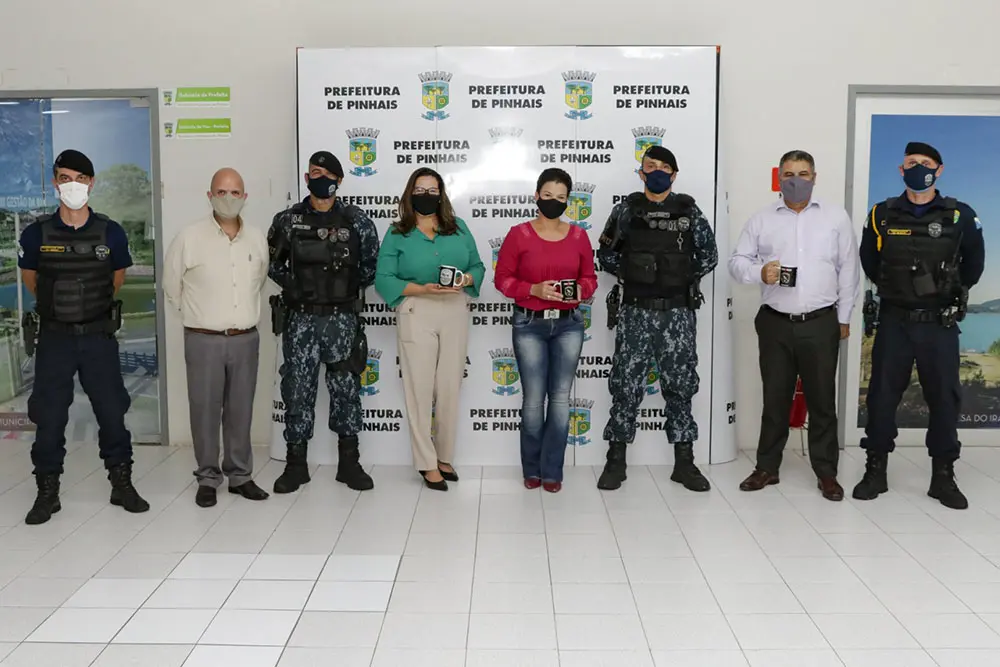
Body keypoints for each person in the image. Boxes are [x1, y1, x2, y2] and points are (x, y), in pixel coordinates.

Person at [18, 149, 148, 525]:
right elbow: (32, 281)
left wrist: (87, 310)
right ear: (54, 182)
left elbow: (115, 281)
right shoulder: (36, 233)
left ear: (91, 183)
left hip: (97, 338)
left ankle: (121, 484)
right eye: (64, 178)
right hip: (54, 340)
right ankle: (47, 493)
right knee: (49, 418)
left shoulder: (110, 232)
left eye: (79, 178)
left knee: (112, 413)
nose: (71, 185)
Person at [856, 142, 985, 510]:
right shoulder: (881, 214)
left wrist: (948, 291)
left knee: (944, 399)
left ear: (938, 170)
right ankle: (875, 470)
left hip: (938, 323)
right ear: (901, 170)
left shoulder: (959, 215)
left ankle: (943, 476)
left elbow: (974, 263)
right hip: (894, 321)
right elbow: (869, 260)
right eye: (911, 163)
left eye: (925, 163)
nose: (918, 168)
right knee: (881, 397)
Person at [728, 150, 860, 501]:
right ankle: (767, 467)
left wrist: (844, 318)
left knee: (822, 401)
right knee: (775, 398)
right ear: (779, 178)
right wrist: (759, 272)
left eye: (803, 174)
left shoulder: (835, 217)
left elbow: (849, 270)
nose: (796, 181)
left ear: (814, 177)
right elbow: (736, 262)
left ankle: (826, 473)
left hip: (821, 321)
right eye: (789, 174)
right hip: (775, 323)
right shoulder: (761, 219)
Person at [596, 145, 718, 492]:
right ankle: (616, 461)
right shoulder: (625, 210)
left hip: (677, 313)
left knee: (680, 385)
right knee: (625, 385)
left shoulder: (689, 211)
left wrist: (675, 276)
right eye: (651, 166)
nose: (658, 172)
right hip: (635, 310)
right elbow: (606, 254)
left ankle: (685, 463)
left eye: (665, 167)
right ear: (641, 173)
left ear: (674, 175)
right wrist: (637, 273)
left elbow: (709, 255)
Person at [267, 151, 380, 493]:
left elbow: (369, 268)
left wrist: (340, 290)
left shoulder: (357, 221)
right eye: (315, 172)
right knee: (297, 390)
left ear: (339, 180)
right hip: (300, 319)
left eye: (329, 174)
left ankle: (349, 463)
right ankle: (295, 465)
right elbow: (272, 264)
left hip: (341, 318)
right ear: (306, 178)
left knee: (346, 389)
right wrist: (296, 287)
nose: (322, 178)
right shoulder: (287, 221)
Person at [164, 168, 270, 508]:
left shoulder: (256, 238)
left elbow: (259, 280)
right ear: (209, 196)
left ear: (245, 197)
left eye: (235, 192)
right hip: (203, 339)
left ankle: (240, 476)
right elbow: (171, 286)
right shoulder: (189, 237)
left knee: (240, 410)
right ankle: (208, 478)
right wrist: (200, 317)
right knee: (205, 410)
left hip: (245, 339)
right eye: (221, 192)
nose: (228, 198)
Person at [375, 167, 485, 491]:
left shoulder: (458, 227)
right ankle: (426, 462)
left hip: (454, 309)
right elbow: (383, 278)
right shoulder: (397, 232)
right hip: (417, 309)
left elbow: (477, 266)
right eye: (420, 190)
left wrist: (466, 279)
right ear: (410, 194)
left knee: (450, 387)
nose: (426, 195)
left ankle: (444, 456)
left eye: (432, 190)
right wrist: (422, 289)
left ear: (441, 194)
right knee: (419, 390)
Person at [494, 168, 597, 493]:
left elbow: (590, 278)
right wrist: (532, 290)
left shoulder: (579, 236)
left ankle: (552, 471)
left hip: (568, 325)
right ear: (536, 196)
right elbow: (502, 279)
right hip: (529, 324)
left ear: (568, 201)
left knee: (561, 399)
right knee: (534, 400)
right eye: (548, 195)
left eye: (561, 197)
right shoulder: (519, 234)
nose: (554, 201)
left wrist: (581, 290)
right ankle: (532, 469)